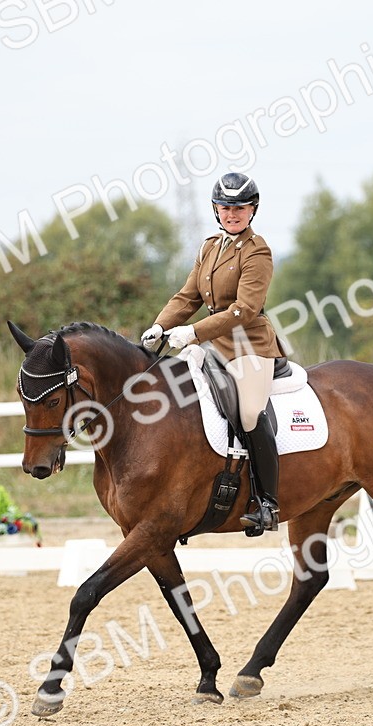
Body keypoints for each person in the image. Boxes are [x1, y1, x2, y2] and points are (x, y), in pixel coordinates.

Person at [140, 172, 284, 534]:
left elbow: (244, 310)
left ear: (252, 210)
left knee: (250, 412)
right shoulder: (208, 247)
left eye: (239, 208)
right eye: (225, 207)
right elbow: (188, 297)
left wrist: (192, 332)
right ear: (215, 210)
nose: (232, 214)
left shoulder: (258, 251)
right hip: (214, 346)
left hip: (250, 345)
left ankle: (268, 502)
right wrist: (160, 325)